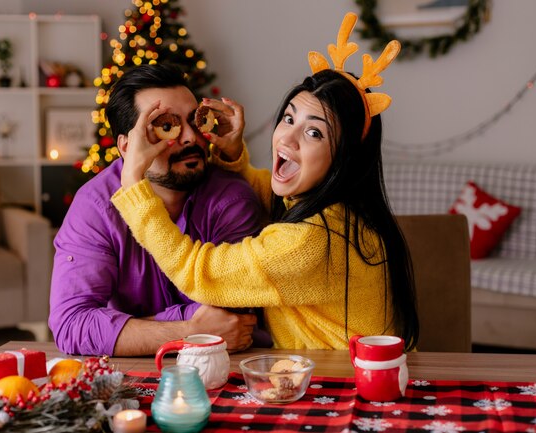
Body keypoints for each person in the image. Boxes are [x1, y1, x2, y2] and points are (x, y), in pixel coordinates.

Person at [110, 13, 419, 350]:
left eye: (314, 132)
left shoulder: (311, 242)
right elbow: (269, 192)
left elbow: (200, 272)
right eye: (288, 118)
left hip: (343, 386)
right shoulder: (336, 210)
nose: (287, 138)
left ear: (345, 157)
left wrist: (133, 187)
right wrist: (230, 154)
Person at [49, 64, 266, 357]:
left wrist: (130, 330)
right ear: (127, 147)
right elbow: (72, 325)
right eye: (166, 126)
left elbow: (231, 315)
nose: (191, 138)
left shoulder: (231, 199)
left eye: (195, 122)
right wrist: (187, 332)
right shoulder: (96, 206)